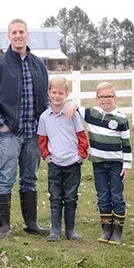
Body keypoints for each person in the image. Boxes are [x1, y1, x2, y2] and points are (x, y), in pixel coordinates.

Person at [0, 18, 49, 237]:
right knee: (5, 178)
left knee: (30, 178)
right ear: (8, 37)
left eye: (22, 31)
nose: (18, 35)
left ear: (27, 34)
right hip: (9, 133)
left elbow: (46, 97)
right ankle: (4, 226)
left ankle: (31, 224)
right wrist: (1, 124)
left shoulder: (38, 63)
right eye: (14, 32)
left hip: (33, 132)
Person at [76, 82, 133, 245]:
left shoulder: (121, 118)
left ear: (114, 98)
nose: (105, 100)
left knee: (116, 195)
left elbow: (127, 144)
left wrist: (127, 165)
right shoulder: (92, 114)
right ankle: (106, 229)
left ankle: (117, 231)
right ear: (96, 98)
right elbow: (74, 108)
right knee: (102, 196)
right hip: (98, 163)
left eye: (109, 96)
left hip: (116, 164)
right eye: (102, 96)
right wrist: (71, 105)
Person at [37, 77, 89, 242]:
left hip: (73, 162)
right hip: (55, 163)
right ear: (49, 93)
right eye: (54, 92)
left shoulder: (72, 114)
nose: (57, 96)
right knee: (55, 196)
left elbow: (81, 136)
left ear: (66, 94)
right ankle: (55, 230)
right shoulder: (45, 117)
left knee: (71, 196)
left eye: (61, 93)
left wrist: (81, 156)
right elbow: (42, 139)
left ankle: (70, 230)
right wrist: (46, 156)